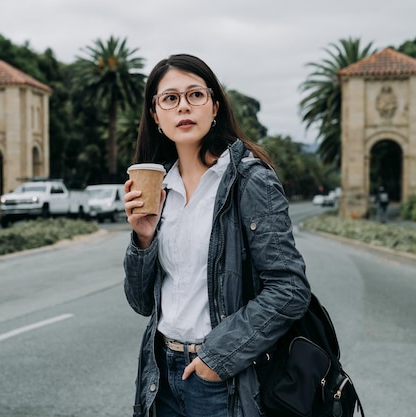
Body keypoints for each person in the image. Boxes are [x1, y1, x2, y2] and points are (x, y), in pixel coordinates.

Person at [123, 54, 311, 417]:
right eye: (170, 98)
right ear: (155, 115)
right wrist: (143, 240)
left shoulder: (251, 180)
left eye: (195, 95)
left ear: (214, 107)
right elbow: (141, 302)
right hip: (159, 376)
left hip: (221, 378)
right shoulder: (159, 187)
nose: (184, 107)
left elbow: (289, 289)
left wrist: (216, 358)